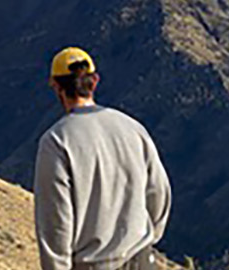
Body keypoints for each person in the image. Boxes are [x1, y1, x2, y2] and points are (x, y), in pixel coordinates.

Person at [34, 48, 171, 270]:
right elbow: (159, 194)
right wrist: (146, 240)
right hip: (141, 260)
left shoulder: (57, 142)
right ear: (94, 81)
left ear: (56, 86)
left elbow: (56, 223)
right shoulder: (133, 128)